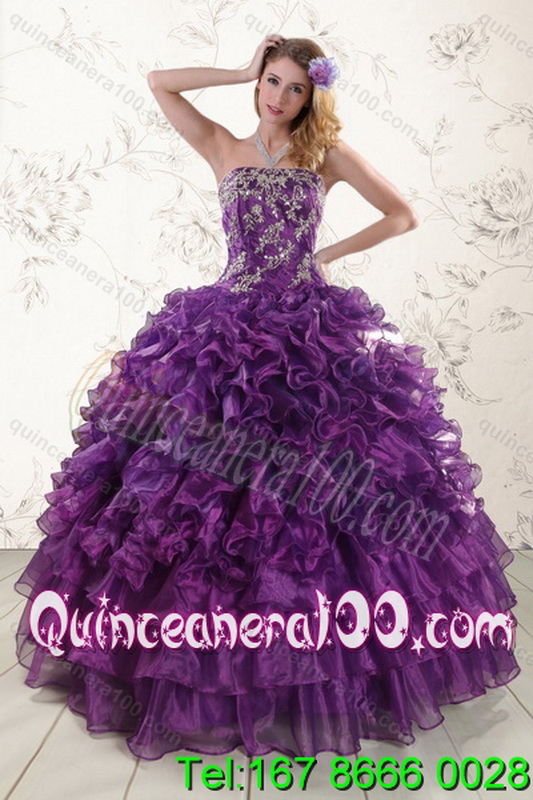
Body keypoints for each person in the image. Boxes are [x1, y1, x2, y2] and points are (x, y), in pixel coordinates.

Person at [13, 34, 520, 762]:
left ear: (311, 97)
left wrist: (325, 256)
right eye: (271, 82)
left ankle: (325, 664)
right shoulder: (221, 146)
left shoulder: (323, 155)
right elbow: (157, 80)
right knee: (203, 496)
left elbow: (401, 214)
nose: (279, 98)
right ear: (259, 83)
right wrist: (236, 68)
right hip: (224, 329)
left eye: (293, 88)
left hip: (308, 333)